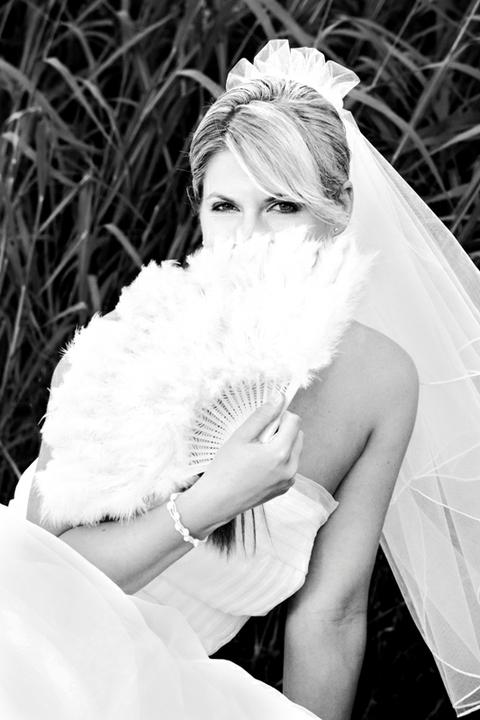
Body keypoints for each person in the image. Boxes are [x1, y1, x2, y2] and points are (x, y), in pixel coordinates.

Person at [7, 39, 480, 719]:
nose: (249, 236)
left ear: (338, 207)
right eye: (225, 207)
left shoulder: (382, 383)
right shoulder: (122, 346)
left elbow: (332, 613)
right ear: (199, 208)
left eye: (282, 206)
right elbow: (44, 580)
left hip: (162, 689)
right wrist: (211, 501)